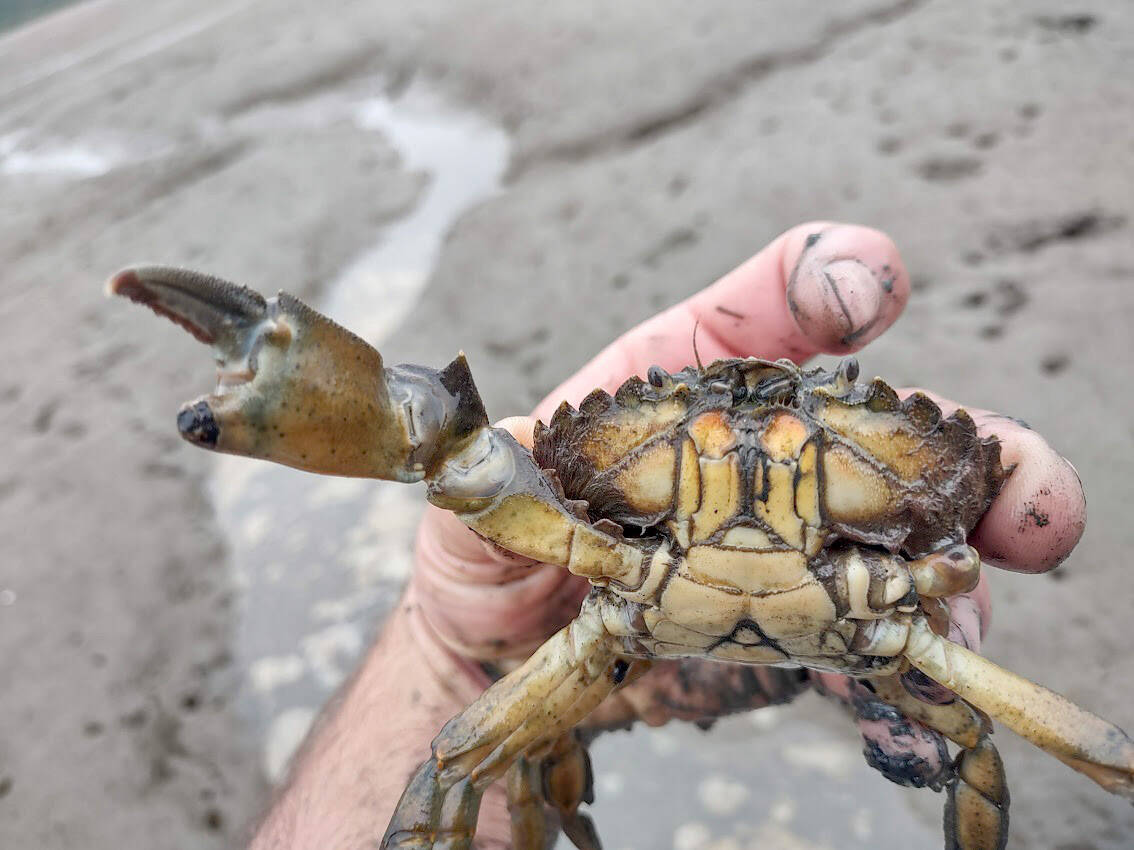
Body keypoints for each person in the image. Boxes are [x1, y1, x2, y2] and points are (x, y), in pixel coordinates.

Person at [249, 223, 1086, 849]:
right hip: (640, 631)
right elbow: (456, 458)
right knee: (462, 761)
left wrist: (446, 664)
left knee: (979, 747)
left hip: (686, 623)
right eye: (691, 414)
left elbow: (982, 506)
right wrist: (450, 658)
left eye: (812, 426)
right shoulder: (566, 575)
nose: (748, 444)